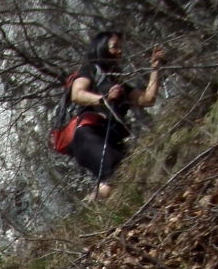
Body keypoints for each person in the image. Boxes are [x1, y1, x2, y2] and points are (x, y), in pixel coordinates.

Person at [69, 32, 164, 201]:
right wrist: (103, 99)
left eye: (120, 47)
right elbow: (76, 94)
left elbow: (147, 99)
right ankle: (92, 211)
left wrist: (155, 68)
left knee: (125, 173)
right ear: (101, 48)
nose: (119, 51)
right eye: (114, 47)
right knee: (112, 171)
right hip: (89, 134)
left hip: (112, 138)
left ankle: (96, 209)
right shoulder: (90, 70)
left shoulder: (117, 85)